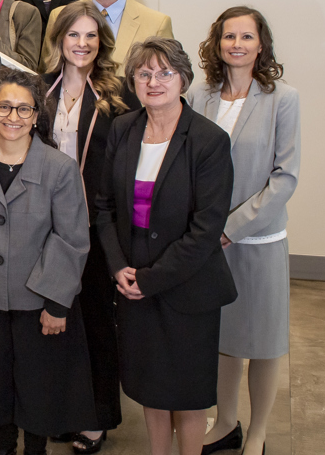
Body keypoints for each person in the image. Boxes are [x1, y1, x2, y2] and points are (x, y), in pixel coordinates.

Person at [0, 67, 97, 455]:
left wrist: (56, 303)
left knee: (37, 387)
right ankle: (3, 447)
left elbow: (71, 239)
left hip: (38, 301)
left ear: (36, 115)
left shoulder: (59, 167)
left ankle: (35, 449)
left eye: (24, 109)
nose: (14, 117)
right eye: (4, 107)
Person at [94, 37, 236, 455]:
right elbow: (104, 207)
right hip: (132, 279)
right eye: (144, 74)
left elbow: (206, 229)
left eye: (164, 73)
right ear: (133, 81)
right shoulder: (123, 129)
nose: (154, 82)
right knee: (150, 389)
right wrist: (118, 266)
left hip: (186, 287)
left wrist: (151, 279)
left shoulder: (209, 140)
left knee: (187, 396)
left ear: (183, 80)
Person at [190, 8, 300, 455]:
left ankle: (257, 433)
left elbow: (285, 177)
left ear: (261, 45)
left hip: (257, 240)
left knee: (263, 342)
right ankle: (226, 423)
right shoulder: (199, 95)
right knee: (224, 338)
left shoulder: (282, 99)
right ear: (217, 44)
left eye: (246, 36)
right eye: (229, 36)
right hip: (206, 240)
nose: (237, 44)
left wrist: (231, 228)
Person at [39, 0, 137, 453]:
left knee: (95, 320)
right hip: (47, 224)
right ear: (60, 39)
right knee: (55, 320)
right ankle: (64, 409)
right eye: (74, 35)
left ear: (102, 42)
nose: (82, 43)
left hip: (96, 223)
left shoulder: (117, 95)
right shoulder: (41, 89)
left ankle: (97, 418)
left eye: (91, 36)